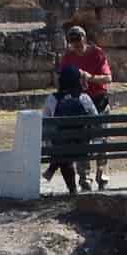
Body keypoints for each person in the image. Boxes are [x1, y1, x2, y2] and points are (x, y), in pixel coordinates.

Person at [57, 25, 114, 186]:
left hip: (98, 100)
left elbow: (108, 78)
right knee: (82, 141)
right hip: (79, 103)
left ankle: (101, 172)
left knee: (102, 140)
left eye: (79, 40)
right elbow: (62, 78)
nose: (77, 45)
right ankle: (85, 176)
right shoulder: (68, 56)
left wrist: (89, 78)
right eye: (73, 42)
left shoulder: (97, 53)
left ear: (85, 38)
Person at [43, 62, 96, 193]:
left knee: (61, 151)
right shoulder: (85, 98)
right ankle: (53, 169)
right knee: (65, 148)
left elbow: (45, 123)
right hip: (83, 147)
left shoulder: (52, 99)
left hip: (60, 148)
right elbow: (95, 118)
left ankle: (71, 187)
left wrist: (48, 142)